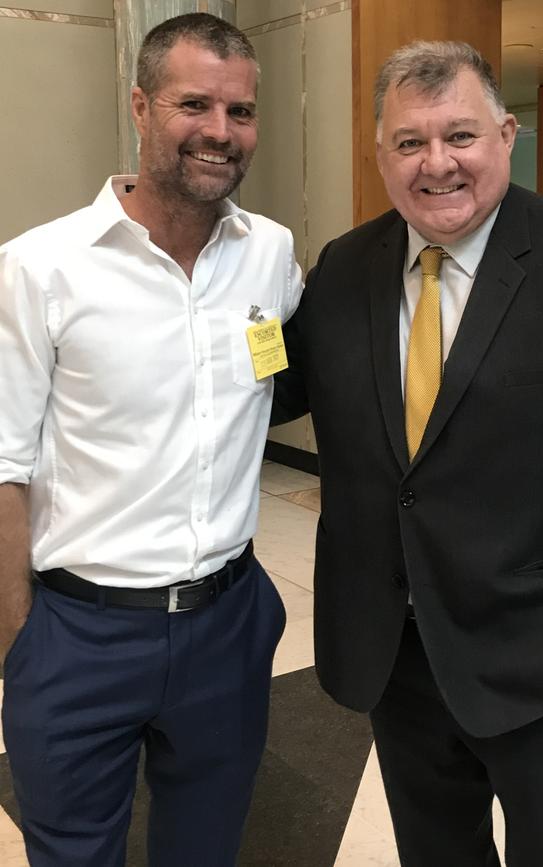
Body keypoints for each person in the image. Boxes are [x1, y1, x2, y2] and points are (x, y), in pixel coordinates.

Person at [273, 40, 543, 867]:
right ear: (381, 153)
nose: (435, 163)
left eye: (461, 136)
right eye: (409, 142)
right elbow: (270, 390)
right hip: (398, 663)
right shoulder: (343, 270)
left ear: (507, 135)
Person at [0, 13, 301, 867]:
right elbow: (2, 466)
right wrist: (20, 643)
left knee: (205, 849)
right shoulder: (40, 268)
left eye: (240, 111)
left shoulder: (270, 254)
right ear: (140, 105)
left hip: (228, 623)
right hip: (80, 633)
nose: (219, 131)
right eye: (193, 104)